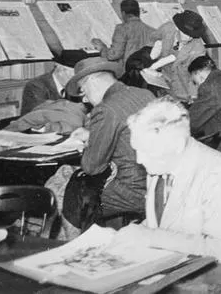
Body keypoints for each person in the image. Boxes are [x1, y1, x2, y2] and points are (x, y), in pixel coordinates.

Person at [114, 98, 221, 265]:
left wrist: (149, 237)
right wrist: (137, 232)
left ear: (177, 145)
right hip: (178, 263)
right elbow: (165, 221)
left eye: (146, 151)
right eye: (137, 150)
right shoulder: (159, 166)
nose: (139, 159)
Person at [64, 57, 155, 219]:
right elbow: (126, 131)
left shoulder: (105, 109)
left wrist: (89, 143)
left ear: (91, 81)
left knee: (61, 189)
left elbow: (92, 167)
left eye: (82, 91)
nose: (84, 99)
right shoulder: (145, 94)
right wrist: (94, 134)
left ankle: (73, 241)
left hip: (131, 192)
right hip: (156, 186)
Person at [150, 10, 206, 102]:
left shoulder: (199, 49)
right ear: (178, 28)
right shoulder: (167, 29)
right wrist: (156, 46)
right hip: (161, 86)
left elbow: (196, 76)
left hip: (182, 93)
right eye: (186, 34)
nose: (188, 38)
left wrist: (193, 97)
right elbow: (152, 39)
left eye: (192, 35)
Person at [20, 50, 89, 115]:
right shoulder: (36, 86)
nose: (79, 81)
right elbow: (43, 116)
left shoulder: (73, 87)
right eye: (76, 75)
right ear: (60, 69)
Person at [92, 0, 156, 66]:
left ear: (123, 13)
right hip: (147, 73)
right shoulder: (152, 31)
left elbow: (114, 55)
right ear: (138, 12)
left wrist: (102, 48)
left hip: (128, 72)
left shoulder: (122, 29)